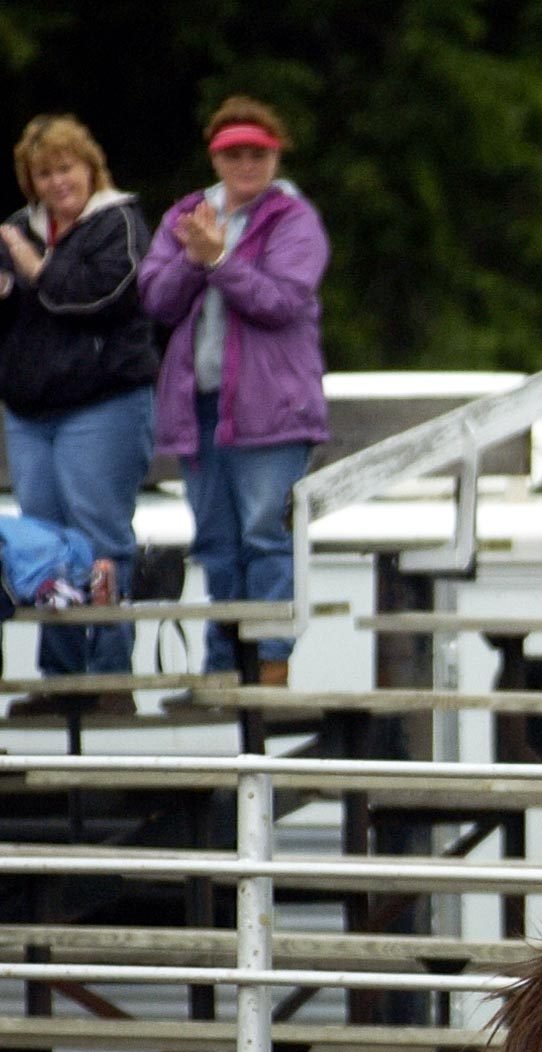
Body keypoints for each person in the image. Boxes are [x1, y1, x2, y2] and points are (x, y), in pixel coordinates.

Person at [138, 95, 327, 687]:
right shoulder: (189, 215)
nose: (246, 163)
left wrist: (217, 260)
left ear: (275, 156)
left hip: (272, 409)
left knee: (264, 535)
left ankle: (270, 664)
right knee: (216, 541)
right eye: (233, 153)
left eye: (258, 153)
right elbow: (156, 300)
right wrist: (196, 261)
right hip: (201, 407)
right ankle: (223, 666)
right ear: (215, 157)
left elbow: (281, 301)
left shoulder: (294, 221)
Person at [0, 114, 157, 714]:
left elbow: (100, 298)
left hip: (104, 404)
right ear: (31, 182)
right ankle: (60, 679)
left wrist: (36, 273)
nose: (58, 181)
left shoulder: (118, 223)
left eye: (66, 167)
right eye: (45, 173)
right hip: (31, 410)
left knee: (101, 537)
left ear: (90, 168)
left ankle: (111, 678)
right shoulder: (19, 229)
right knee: (41, 543)